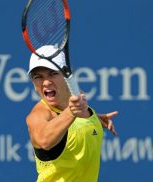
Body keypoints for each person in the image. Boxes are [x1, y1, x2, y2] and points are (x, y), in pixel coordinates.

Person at [26, 45, 118, 182]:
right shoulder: (38, 115)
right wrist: (71, 112)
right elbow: (44, 140)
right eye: (38, 77)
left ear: (67, 75)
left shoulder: (77, 97)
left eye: (53, 73)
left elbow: (74, 123)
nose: (46, 82)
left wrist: (94, 118)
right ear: (33, 83)